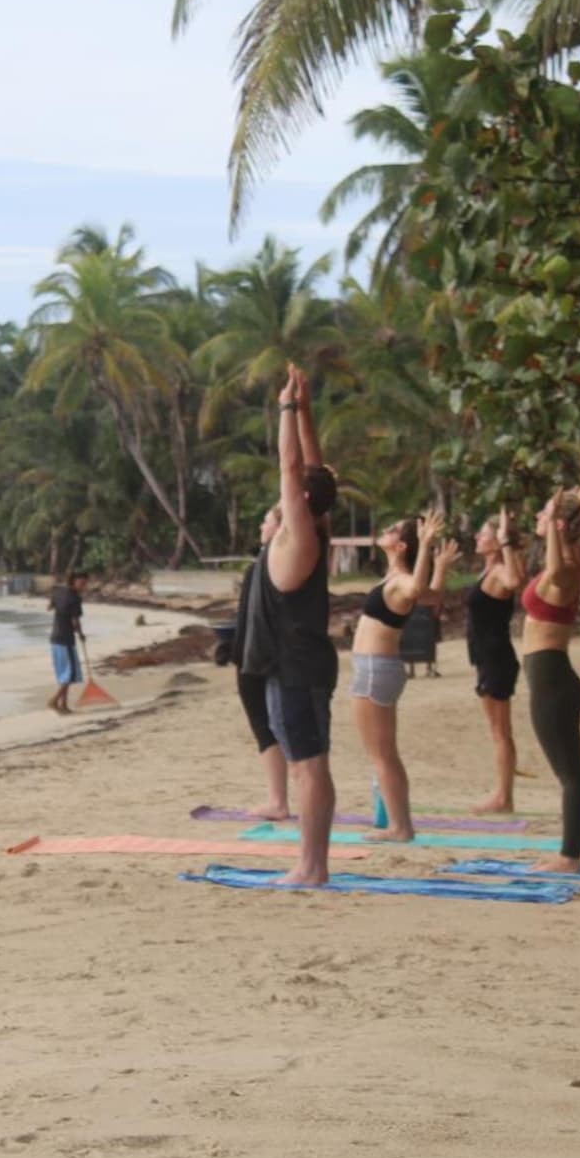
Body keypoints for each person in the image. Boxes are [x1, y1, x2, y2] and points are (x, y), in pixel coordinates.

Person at [237, 363, 338, 885]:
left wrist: (285, 407)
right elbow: (313, 465)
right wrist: (306, 409)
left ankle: (312, 866)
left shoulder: (299, 536)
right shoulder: (313, 525)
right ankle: (310, 862)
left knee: (309, 766)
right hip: (290, 665)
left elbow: (293, 463)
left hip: (297, 667)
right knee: (304, 764)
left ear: (301, 499)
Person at [351, 507, 453, 841]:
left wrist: (426, 545)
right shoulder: (396, 579)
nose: (386, 530)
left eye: (393, 530)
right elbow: (433, 595)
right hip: (378, 668)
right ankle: (396, 822)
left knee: (382, 755)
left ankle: (400, 826)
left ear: (401, 546)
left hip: (375, 669)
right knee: (384, 753)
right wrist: (440, 566)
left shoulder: (401, 582)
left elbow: (417, 589)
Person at [520, 488, 580, 873]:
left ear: (558, 525)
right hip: (550, 678)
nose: (537, 517)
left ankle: (570, 856)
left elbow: (556, 571)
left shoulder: (564, 571)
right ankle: (569, 853)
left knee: (570, 776)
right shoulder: (565, 562)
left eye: (543, 513)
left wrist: (554, 529)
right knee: (568, 773)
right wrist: (555, 526)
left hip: (552, 681)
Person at [230, 505, 290, 820]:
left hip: (257, 657)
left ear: (279, 528)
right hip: (261, 653)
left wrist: (241, 656)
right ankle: (278, 798)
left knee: (266, 727)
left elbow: (254, 618)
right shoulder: (274, 563)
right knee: (271, 726)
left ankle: (278, 801)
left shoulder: (268, 565)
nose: (260, 526)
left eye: (266, 521)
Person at [466, 508, 527, 814]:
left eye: (484, 533)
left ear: (496, 541)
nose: (478, 536)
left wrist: (505, 540)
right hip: (487, 658)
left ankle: (504, 798)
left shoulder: (501, 570)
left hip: (496, 658)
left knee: (500, 731)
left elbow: (515, 580)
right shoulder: (489, 571)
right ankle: (504, 795)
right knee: (498, 730)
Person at [47, 570, 87, 714]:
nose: (83, 586)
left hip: (55, 639)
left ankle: (63, 705)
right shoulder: (75, 598)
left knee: (64, 673)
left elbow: (49, 607)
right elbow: (75, 621)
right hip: (66, 640)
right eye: (81, 582)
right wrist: (81, 634)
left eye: (85, 583)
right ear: (74, 581)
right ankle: (54, 700)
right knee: (70, 674)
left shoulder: (59, 592)